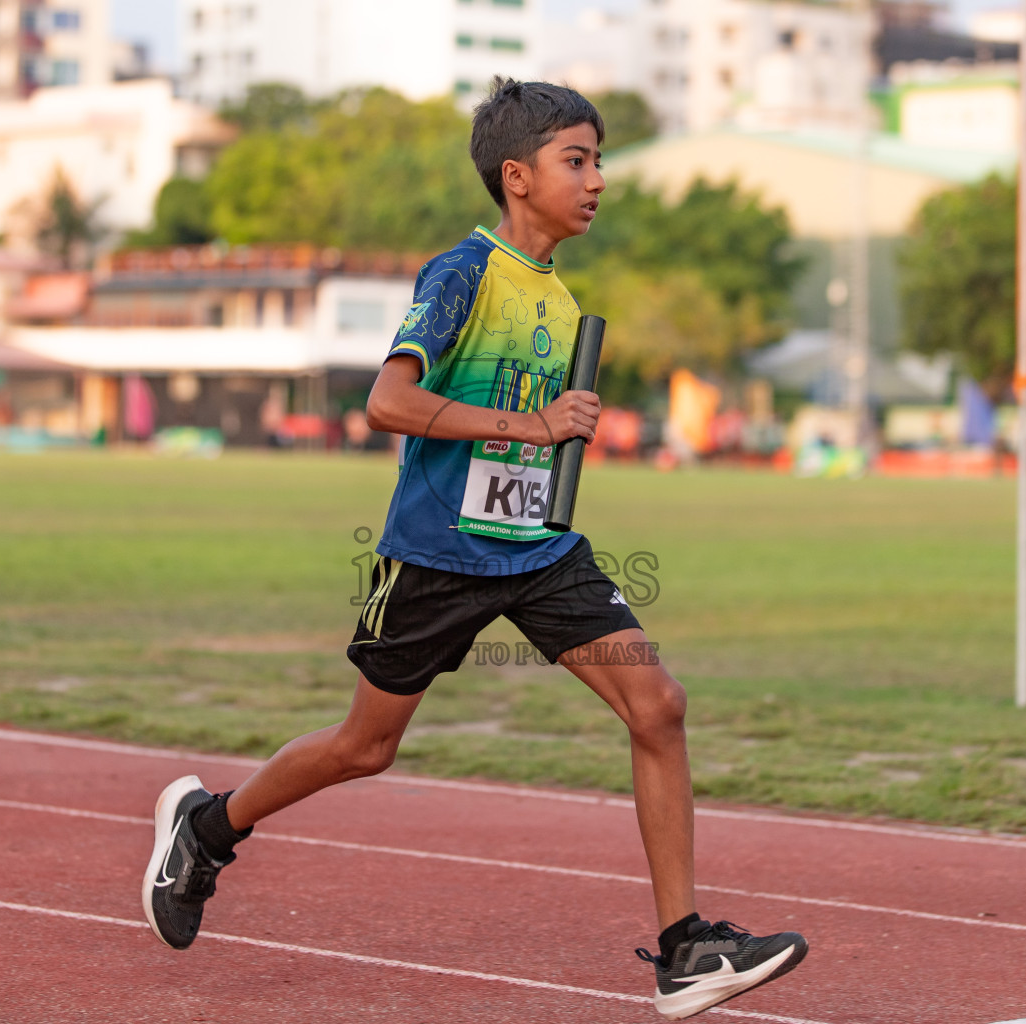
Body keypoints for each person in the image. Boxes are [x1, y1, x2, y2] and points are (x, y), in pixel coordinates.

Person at [142, 78, 808, 1021]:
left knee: (658, 705)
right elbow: (389, 402)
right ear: (517, 176)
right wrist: (535, 424)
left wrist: (556, 435)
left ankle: (685, 949)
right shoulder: (462, 274)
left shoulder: (562, 296)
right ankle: (208, 826)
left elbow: (526, 438)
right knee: (365, 747)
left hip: (537, 551)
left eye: (599, 161)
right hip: (437, 555)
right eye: (577, 161)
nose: (597, 181)